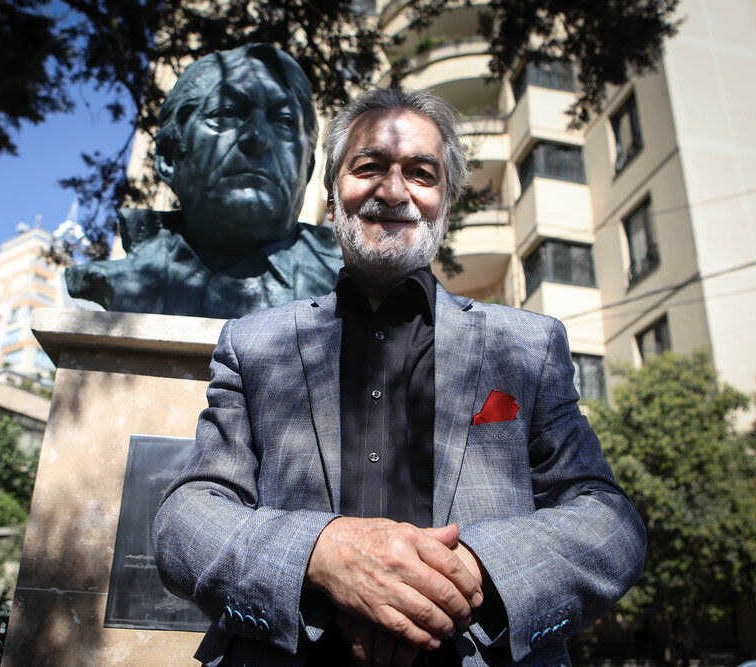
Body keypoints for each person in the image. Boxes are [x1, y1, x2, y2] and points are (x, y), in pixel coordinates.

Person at [152, 88, 646, 666]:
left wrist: (469, 573)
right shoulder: (252, 344)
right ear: (332, 199)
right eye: (368, 168)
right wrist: (325, 553)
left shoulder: (529, 345)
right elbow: (185, 519)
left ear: (445, 202)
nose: (393, 191)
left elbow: (608, 522)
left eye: (420, 172)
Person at [64, 44, 343, 318]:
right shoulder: (124, 283)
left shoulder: (353, 288)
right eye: (227, 113)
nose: (258, 138)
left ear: (308, 167)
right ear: (168, 156)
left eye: (284, 121)